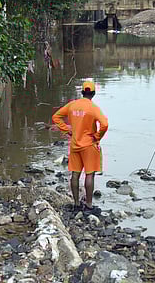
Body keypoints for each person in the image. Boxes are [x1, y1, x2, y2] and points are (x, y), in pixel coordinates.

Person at [52, 81, 108, 212]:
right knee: (89, 175)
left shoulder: (72, 105)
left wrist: (67, 130)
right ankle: (89, 205)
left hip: (75, 144)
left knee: (75, 174)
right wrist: (97, 136)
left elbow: (56, 117)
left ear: (82, 92)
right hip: (89, 145)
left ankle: (76, 203)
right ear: (93, 93)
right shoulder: (93, 108)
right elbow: (104, 124)